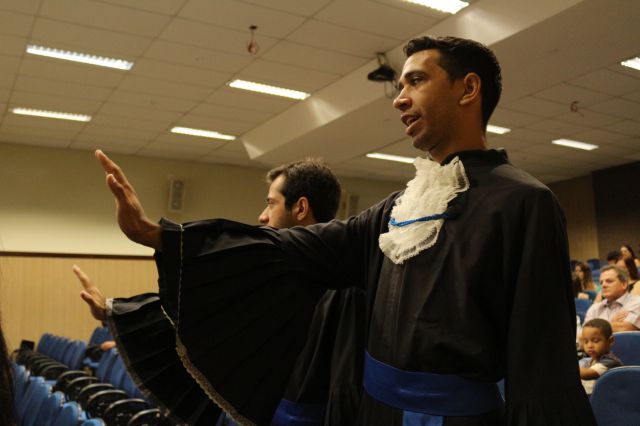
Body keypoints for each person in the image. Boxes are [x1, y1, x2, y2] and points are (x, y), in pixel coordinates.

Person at [95, 35, 595, 425]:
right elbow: (292, 248)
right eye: (400, 86)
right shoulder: (397, 205)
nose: (399, 99)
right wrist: (160, 235)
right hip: (373, 414)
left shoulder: (524, 201)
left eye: (416, 81)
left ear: (468, 89)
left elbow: (541, 363)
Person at [78, 159, 364, 426]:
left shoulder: (345, 287)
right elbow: (207, 314)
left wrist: (150, 233)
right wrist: (112, 312)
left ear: (300, 208)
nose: (262, 216)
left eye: (271, 203)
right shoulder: (282, 280)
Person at [584, 265, 640, 332]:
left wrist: (597, 327)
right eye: (601, 282)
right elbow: (584, 333)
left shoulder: (637, 302)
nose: (603, 285)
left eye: (609, 281)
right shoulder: (595, 308)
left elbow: (626, 328)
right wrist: (611, 323)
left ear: (624, 284)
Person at [579, 318, 622, 395]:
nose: (590, 345)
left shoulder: (610, 361)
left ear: (610, 341)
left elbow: (586, 374)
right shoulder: (587, 361)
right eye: (586, 341)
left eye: (595, 341)